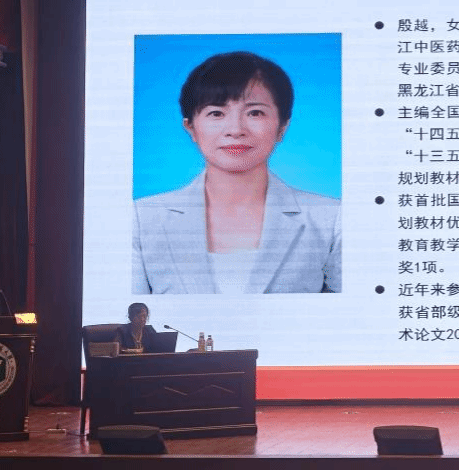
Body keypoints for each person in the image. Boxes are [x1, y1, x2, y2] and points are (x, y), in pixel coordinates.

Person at [132, 51, 341, 294]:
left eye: (255, 113)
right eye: (216, 113)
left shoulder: (330, 219)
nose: (235, 129)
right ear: (191, 128)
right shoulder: (141, 220)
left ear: (282, 126)